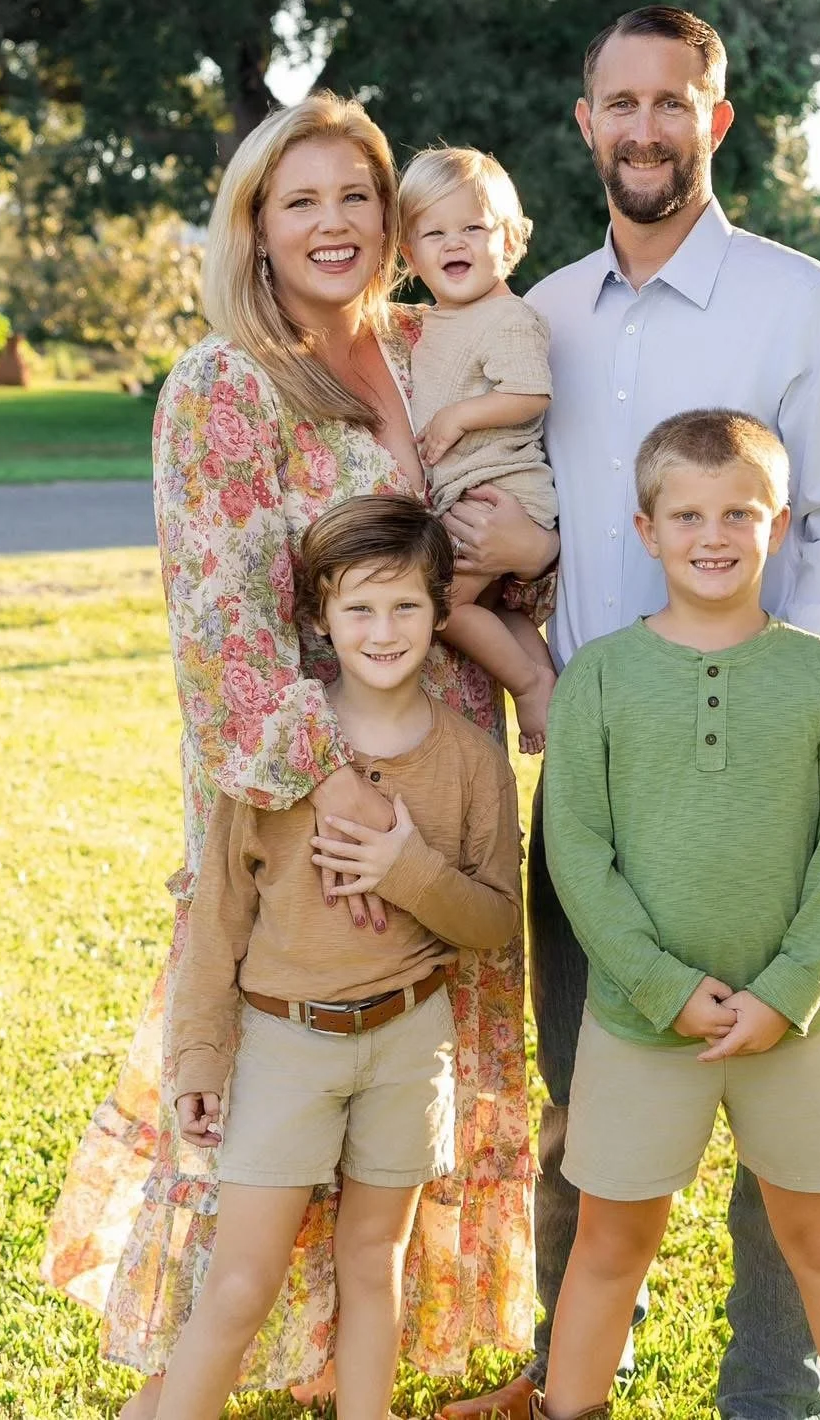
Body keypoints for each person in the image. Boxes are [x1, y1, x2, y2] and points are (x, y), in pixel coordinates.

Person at [41, 93, 551, 1397]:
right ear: (255, 228)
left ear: (392, 216)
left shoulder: (443, 346)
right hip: (315, 821)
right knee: (275, 1163)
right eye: (299, 199)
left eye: (357, 195)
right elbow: (219, 637)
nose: (335, 222)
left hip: (453, 789)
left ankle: (350, 1381)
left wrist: (529, 563)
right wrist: (347, 811)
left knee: (388, 1166)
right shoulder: (226, 384)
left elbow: (515, 516)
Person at [442, 6, 820, 1420]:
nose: (644, 126)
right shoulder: (545, 317)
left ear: (717, 119)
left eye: (672, 101)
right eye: (617, 102)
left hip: (759, 787)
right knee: (587, 1103)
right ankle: (570, 1376)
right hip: (594, 774)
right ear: (585, 123)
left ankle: (779, 1390)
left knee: (777, 1096)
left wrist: (767, 718)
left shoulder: (799, 302)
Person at [537, 410, 820, 1420]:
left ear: (777, 525)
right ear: (645, 529)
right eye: (687, 512)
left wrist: (784, 993)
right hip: (637, 1021)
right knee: (610, 1247)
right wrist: (663, 986)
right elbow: (577, 850)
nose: (714, 533)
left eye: (739, 511)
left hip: (791, 1024)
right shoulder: (600, 680)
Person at [157, 495, 524, 1420]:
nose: (383, 629)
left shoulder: (474, 759)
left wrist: (406, 870)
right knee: (241, 1282)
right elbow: (217, 921)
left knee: (374, 1265)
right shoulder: (281, 755)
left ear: (441, 612)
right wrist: (199, 1056)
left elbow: (494, 922)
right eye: (358, 607)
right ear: (319, 617)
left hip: (411, 1042)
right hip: (285, 1044)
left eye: (405, 605)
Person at [400, 146, 559, 752]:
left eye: (473, 227)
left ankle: (527, 684)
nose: (454, 243)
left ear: (510, 242)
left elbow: (530, 393)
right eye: (434, 233)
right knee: (499, 607)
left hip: (502, 494)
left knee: (443, 608)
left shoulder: (507, 318)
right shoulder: (432, 321)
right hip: (474, 496)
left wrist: (459, 415)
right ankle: (543, 675)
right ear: (411, 256)